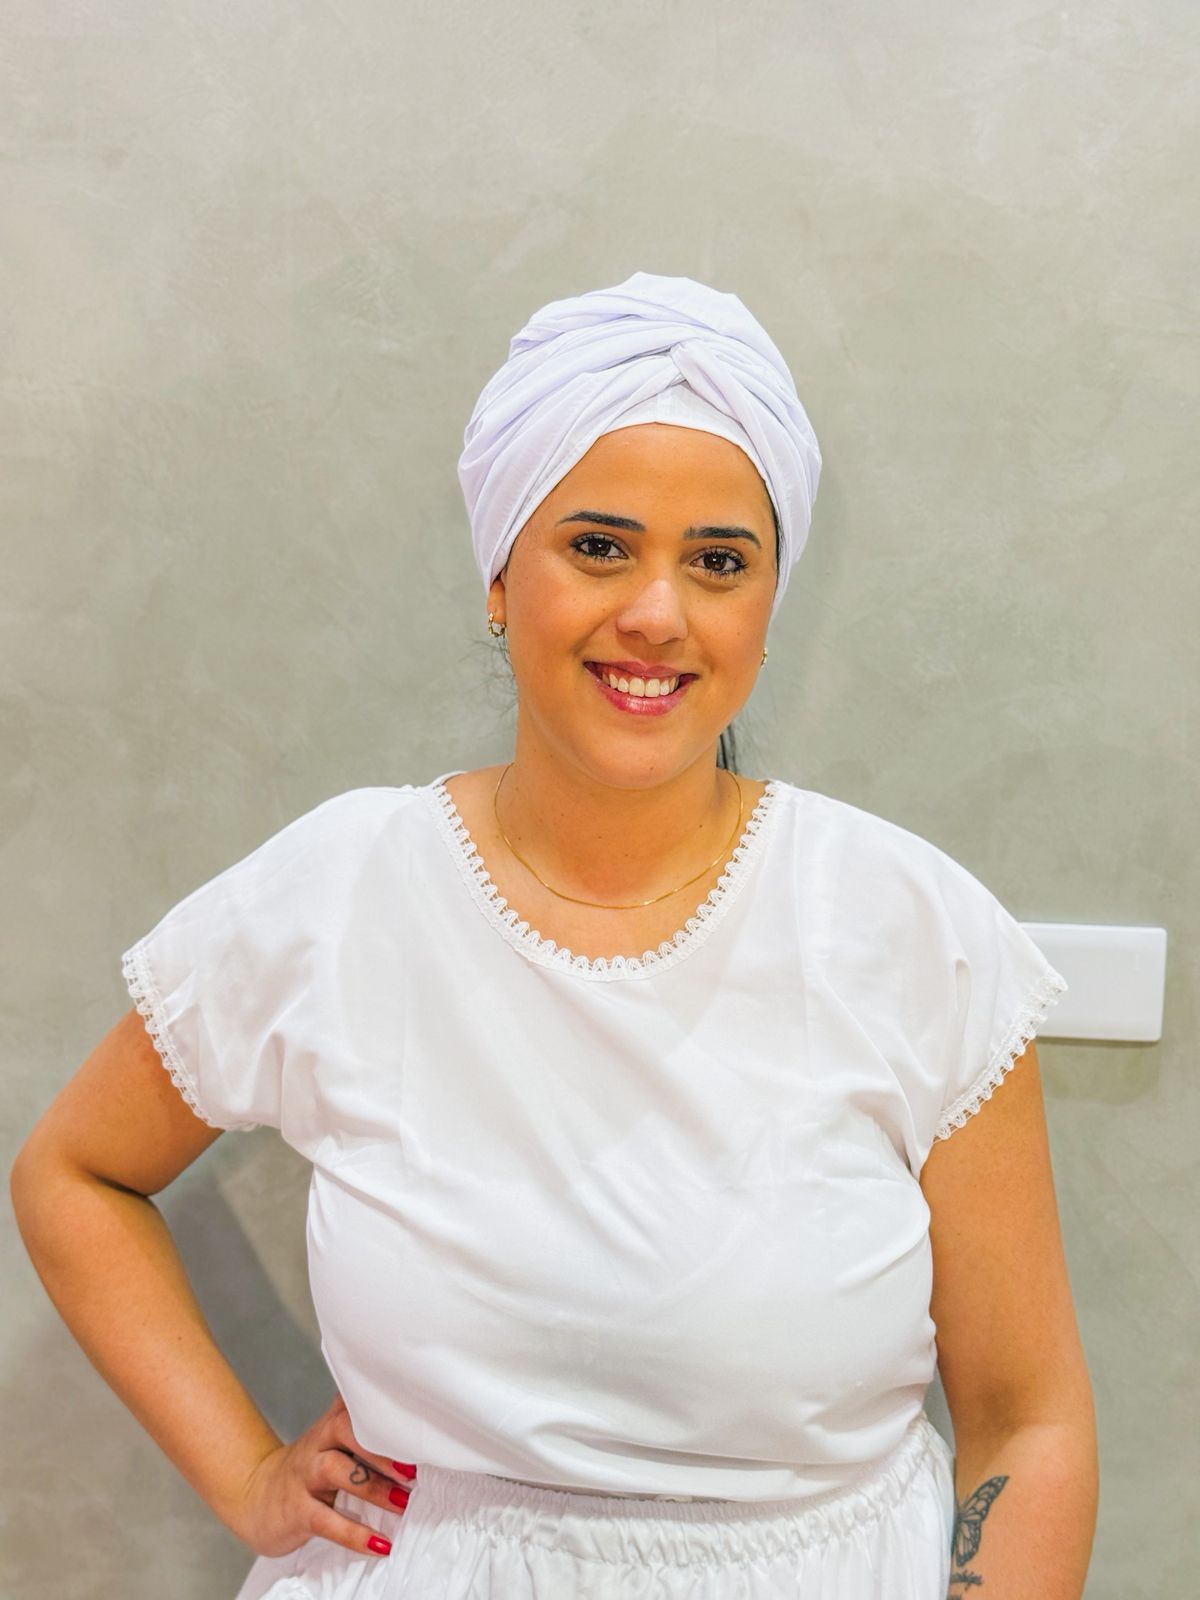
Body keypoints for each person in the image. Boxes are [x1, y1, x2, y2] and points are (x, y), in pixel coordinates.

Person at [11, 271, 1099, 1598]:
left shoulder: (912, 929)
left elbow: (1028, 1423)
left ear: (768, 606)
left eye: (719, 562)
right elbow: (75, 1173)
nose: (657, 614)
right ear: (497, 578)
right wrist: (244, 1474)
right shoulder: (340, 894)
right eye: (598, 547)